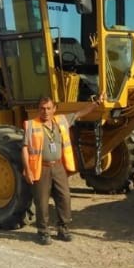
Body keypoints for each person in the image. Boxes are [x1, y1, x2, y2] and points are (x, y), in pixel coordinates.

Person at [22, 93, 105, 244]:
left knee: (64, 198)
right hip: (41, 168)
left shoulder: (61, 120)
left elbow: (80, 113)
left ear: (54, 108)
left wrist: (96, 103)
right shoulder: (31, 125)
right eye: (42, 108)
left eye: (48, 108)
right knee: (42, 202)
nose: (45, 111)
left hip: (58, 167)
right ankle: (43, 232)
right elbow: (25, 148)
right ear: (38, 109)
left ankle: (63, 229)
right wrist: (27, 170)